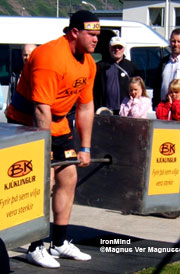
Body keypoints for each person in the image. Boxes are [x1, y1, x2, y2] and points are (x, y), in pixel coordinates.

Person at [6, 10, 100, 268]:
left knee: (68, 177)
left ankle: (58, 243)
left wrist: (85, 147)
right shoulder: (50, 57)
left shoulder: (88, 63)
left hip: (57, 123)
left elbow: (86, 107)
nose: (96, 40)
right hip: (25, 123)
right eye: (91, 35)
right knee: (41, 181)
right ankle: (34, 246)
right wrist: (44, 152)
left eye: (97, 35)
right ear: (74, 33)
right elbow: (40, 109)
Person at [93, 36, 139, 115]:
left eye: (119, 47)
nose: (117, 50)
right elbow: (93, 90)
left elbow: (138, 88)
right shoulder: (100, 66)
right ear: (109, 48)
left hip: (125, 111)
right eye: (114, 47)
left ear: (124, 49)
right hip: (104, 111)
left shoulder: (131, 67)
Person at [153, 28, 180, 109]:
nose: (175, 44)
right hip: (165, 109)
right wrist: (156, 105)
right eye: (173, 41)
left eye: (179, 41)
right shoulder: (164, 62)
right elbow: (157, 86)